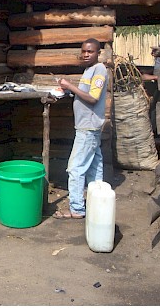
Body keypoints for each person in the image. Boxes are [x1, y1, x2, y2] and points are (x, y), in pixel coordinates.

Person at [53, 38, 108, 219]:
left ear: (98, 53)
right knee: (94, 164)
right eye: (84, 51)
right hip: (88, 125)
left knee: (75, 168)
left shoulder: (99, 70)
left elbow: (93, 98)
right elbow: (86, 94)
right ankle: (98, 201)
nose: (86, 54)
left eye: (90, 52)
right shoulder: (89, 70)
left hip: (88, 126)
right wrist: (69, 91)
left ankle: (76, 208)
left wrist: (70, 86)